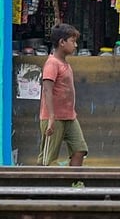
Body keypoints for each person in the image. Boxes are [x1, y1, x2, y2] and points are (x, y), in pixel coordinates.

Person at [37, 24, 88, 166]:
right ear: (62, 42)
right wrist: (51, 117)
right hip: (54, 119)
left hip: (69, 117)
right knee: (48, 159)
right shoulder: (52, 63)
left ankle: (73, 178)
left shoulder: (64, 63)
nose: (75, 45)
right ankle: (40, 180)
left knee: (80, 149)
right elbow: (47, 90)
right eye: (73, 41)